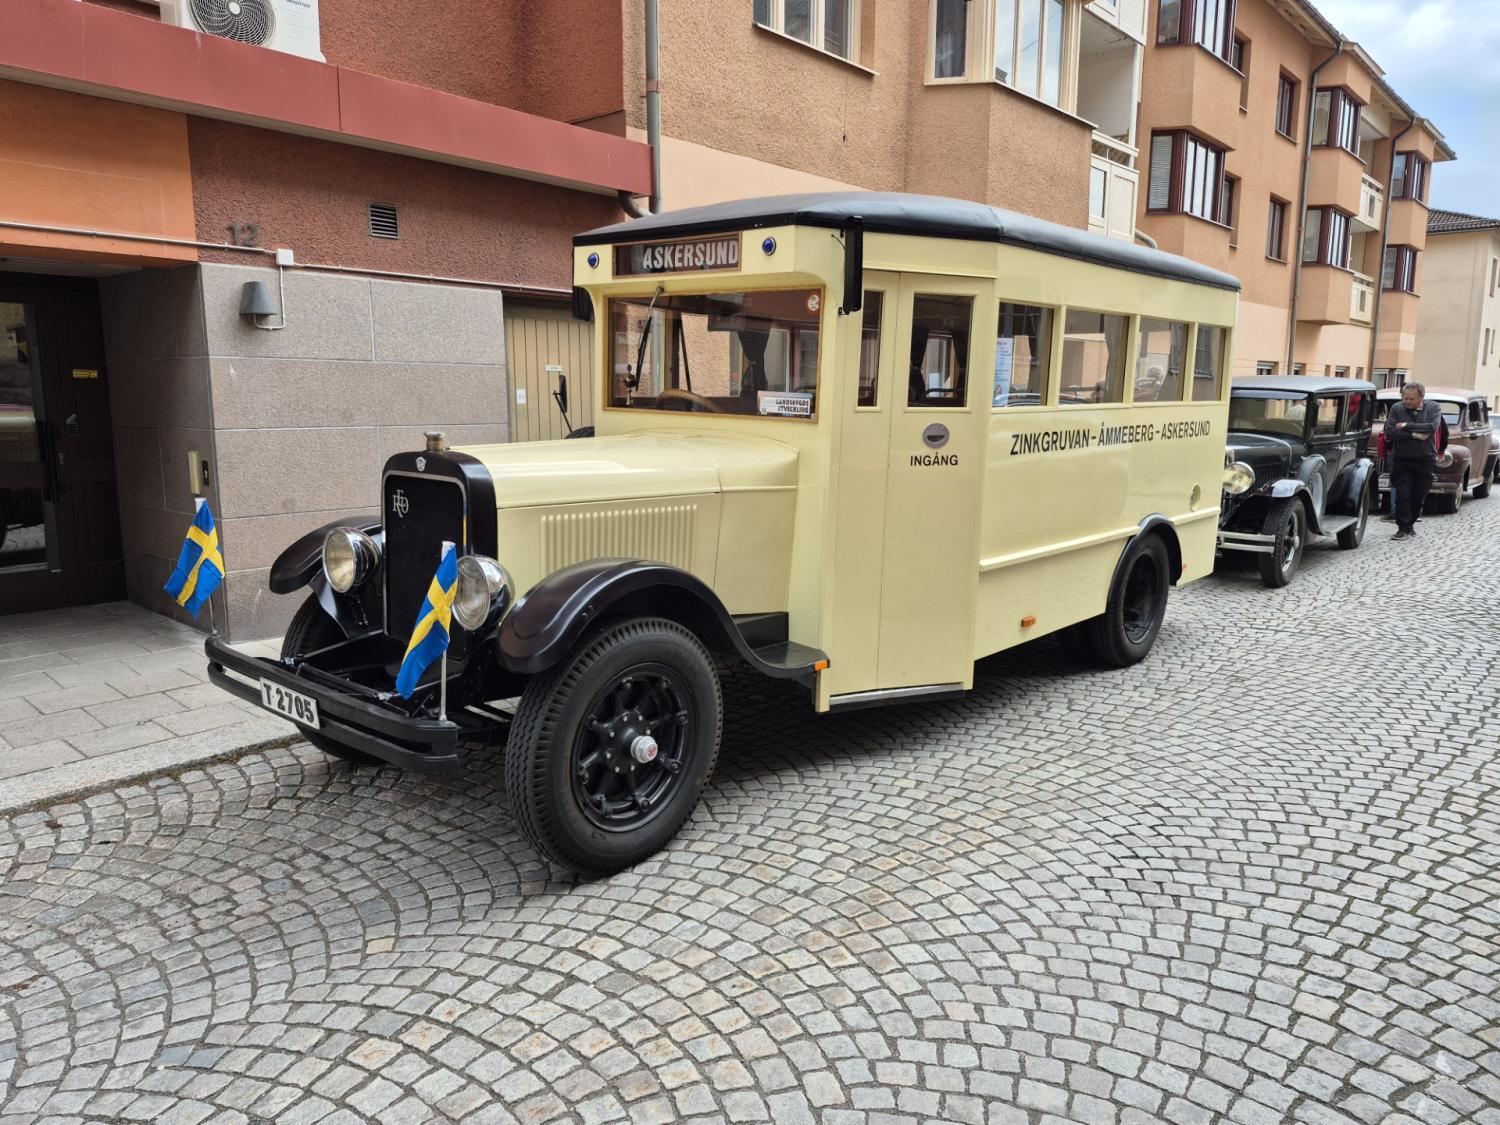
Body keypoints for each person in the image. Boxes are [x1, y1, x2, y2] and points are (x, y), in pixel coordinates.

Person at [1382, 381, 1445, 540]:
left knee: (1418, 496)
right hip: (1402, 459)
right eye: (1405, 398)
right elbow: (1390, 431)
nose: (1407, 401)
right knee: (1402, 494)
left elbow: (1432, 427)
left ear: (1421, 397)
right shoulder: (1397, 408)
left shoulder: (1433, 408)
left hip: (1425, 459)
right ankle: (1402, 528)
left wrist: (1405, 425)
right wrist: (1414, 434)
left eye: (1411, 399)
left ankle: (1409, 524)